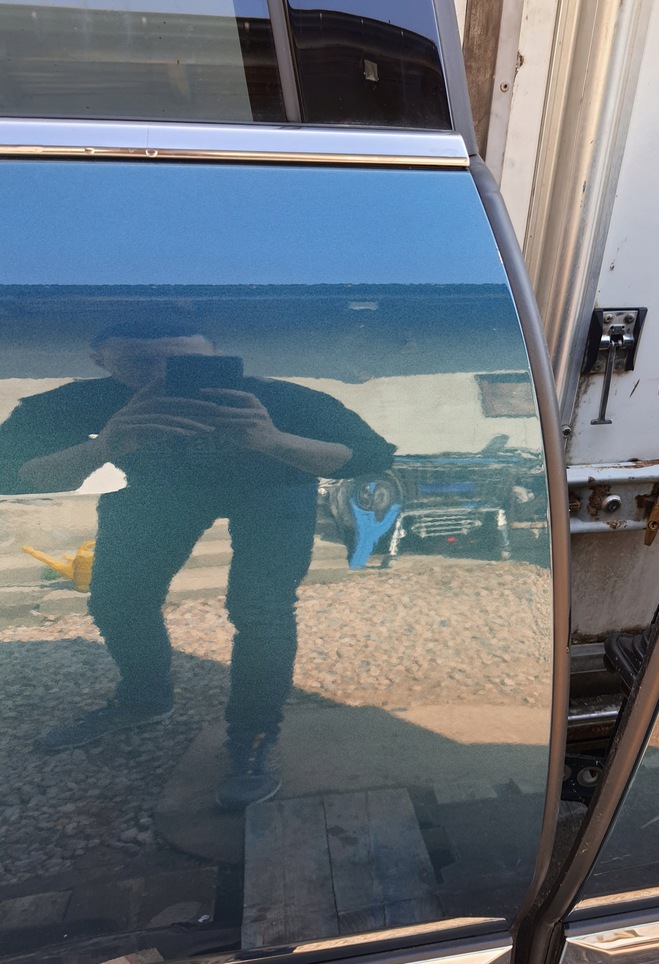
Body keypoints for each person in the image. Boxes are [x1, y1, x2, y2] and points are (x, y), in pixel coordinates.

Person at [0, 316, 395, 808]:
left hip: (273, 488)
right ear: (101, 362)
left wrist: (271, 439)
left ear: (217, 357)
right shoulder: (82, 401)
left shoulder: (277, 398)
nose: (161, 374)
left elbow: (371, 457)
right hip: (160, 491)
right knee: (118, 601)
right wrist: (104, 446)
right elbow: (11, 475)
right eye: (140, 362)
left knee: (261, 610)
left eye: (182, 361)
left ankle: (253, 735)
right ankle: (144, 699)